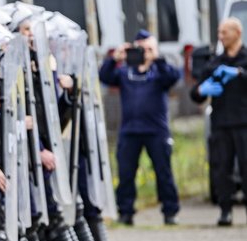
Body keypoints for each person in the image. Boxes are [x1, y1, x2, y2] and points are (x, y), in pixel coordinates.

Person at [99, 30, 181, 225]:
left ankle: (170, 212)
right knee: (126, 173)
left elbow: (173, 77)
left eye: (148, 48)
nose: (143, 52)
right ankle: (125, 212)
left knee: (164, 172)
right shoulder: (125, 72)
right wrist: (114, 58)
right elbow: (104, 76)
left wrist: (156, 58)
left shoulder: (159, 71)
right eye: (141, 48)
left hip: (156, 131)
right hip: (130, 131)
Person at [190, 18, 247, 226]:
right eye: (219, 32)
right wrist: (200, 90)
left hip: (244, 123)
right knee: (222, 168)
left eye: (224, 32)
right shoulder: (214, 63)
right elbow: (195, 93)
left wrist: (240, 74)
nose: (220, 36)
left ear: (237, 33)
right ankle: (225, 211)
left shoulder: (245, 59)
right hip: (221, 123)